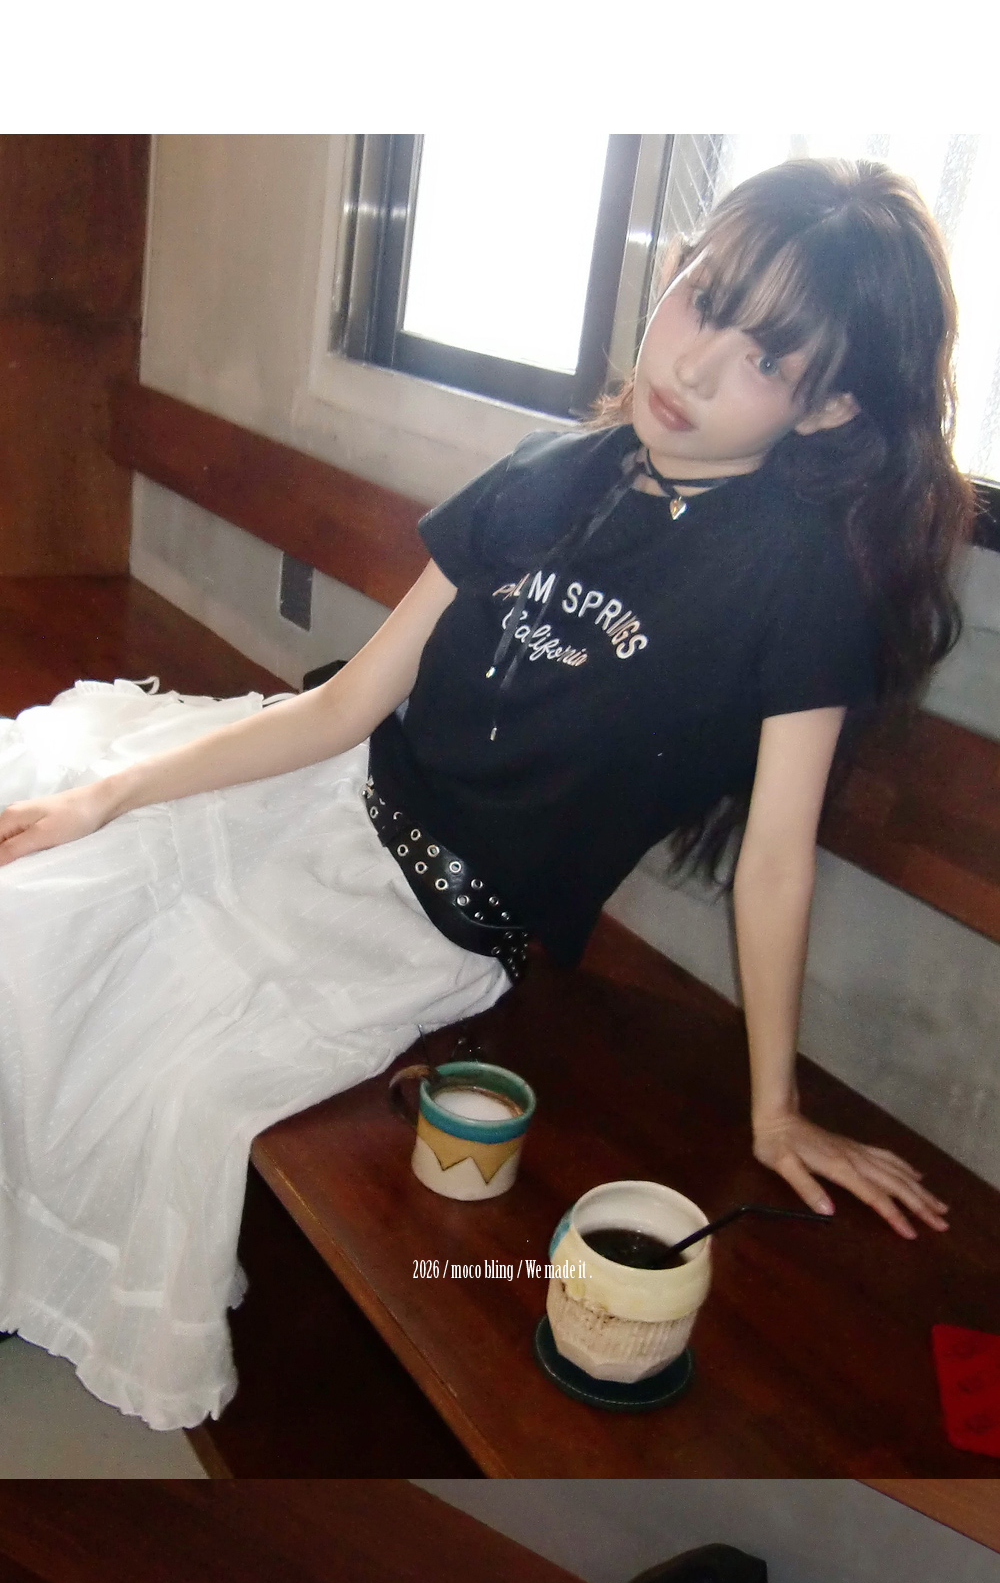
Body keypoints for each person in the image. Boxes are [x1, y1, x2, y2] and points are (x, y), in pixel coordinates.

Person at [0, 159, 963, 1428]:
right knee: (41, 892)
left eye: (766, 358)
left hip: (424, 921)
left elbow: (776, 860)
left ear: (830, 407)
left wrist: (774, 1111)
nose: (693, 361)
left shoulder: (796, 582)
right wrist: (113, 796)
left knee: (160, 1059)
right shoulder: (550, 472)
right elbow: (345, 707)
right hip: (323, 802)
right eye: (703, 296)